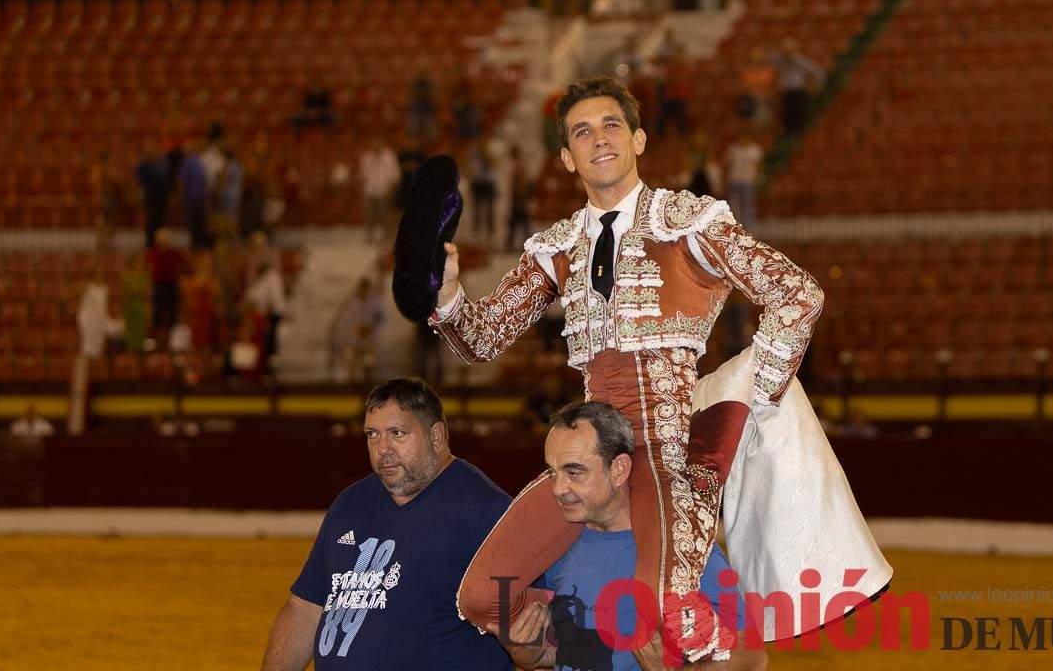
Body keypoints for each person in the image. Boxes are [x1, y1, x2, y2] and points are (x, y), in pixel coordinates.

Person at [432, 76, 826, 656]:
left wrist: (751, 399)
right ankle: (586, 624)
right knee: (481, 598)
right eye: (582, 132)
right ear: (567, 157)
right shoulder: (559, 246)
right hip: (590, 457)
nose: (600, 140)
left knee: (655, 615)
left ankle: (719, 650)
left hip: (667, 455)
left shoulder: (688, 222)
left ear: (639, 140)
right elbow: (483, 340)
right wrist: (448, 296)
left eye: (611, 125)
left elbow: (798, 293)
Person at [259, 378, 513, 671]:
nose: (383, 449)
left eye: (397, 433)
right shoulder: (351, 503)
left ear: (437, 436)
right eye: (372, 434)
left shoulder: (486, 512)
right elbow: (305, 607)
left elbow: (525, 626)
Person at [499, 402, 765, 671]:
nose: (557, 488)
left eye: (574, 473)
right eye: (552, 472)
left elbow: (752, 659)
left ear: (619, 470)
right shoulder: (558, 544)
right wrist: (532, 658)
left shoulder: (681, 548)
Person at [771, 40, 824, 138]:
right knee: (787, 113)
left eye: (789, 50)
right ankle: (788, 133)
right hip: (786, 91)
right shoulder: (779, 60)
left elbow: (818, 72)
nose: (787, 53)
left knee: (799, 112)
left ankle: (800, 134)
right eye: (785, 50)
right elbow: (769, 56)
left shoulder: (801, 61)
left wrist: (814, 85)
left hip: (798, 90)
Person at [358, 136, 401, 244]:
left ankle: (387, 237)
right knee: (369, 215)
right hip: (369, 190)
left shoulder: (389, 156)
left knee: (385, 215)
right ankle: (370, 236)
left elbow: (396, 175)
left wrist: (391, 190)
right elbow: (362, 174)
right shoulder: (366, 157)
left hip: (385, 190)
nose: (376, 145)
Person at [146, 228, 185, 336]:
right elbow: (149, 269)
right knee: (157, 312)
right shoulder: (153, 253)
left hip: (171, 285)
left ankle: (171, 334)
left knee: (172, 311)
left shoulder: (174, 254)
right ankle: (157, 334)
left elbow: (181, 268)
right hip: (158, 285)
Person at [723, 133, 765, 230]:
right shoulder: (733, 150)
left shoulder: (755, 150)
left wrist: (759, 178)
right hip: (734, 181)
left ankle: (749, 229)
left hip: (748, 182)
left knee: (748, 207)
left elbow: (760, 166)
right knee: (734, 206)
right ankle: (734, 227)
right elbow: (727, 166)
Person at [135, 147, 170, 248]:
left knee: (161, 222)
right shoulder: (144, 166)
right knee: (151, 222)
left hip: (161, 199)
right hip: (150, 198)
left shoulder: (161, 165)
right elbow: (139, 180)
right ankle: (150, 243)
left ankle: (161, 243)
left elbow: (166, 180)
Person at [506, 144, 535, 252]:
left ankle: (521, 242)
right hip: (518, 195)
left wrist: (520, 194)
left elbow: (522, 181)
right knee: (519, 220)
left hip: (519, 196)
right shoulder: (518, 164)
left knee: (520, 220)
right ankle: (517, 242)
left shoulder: (519, 165)